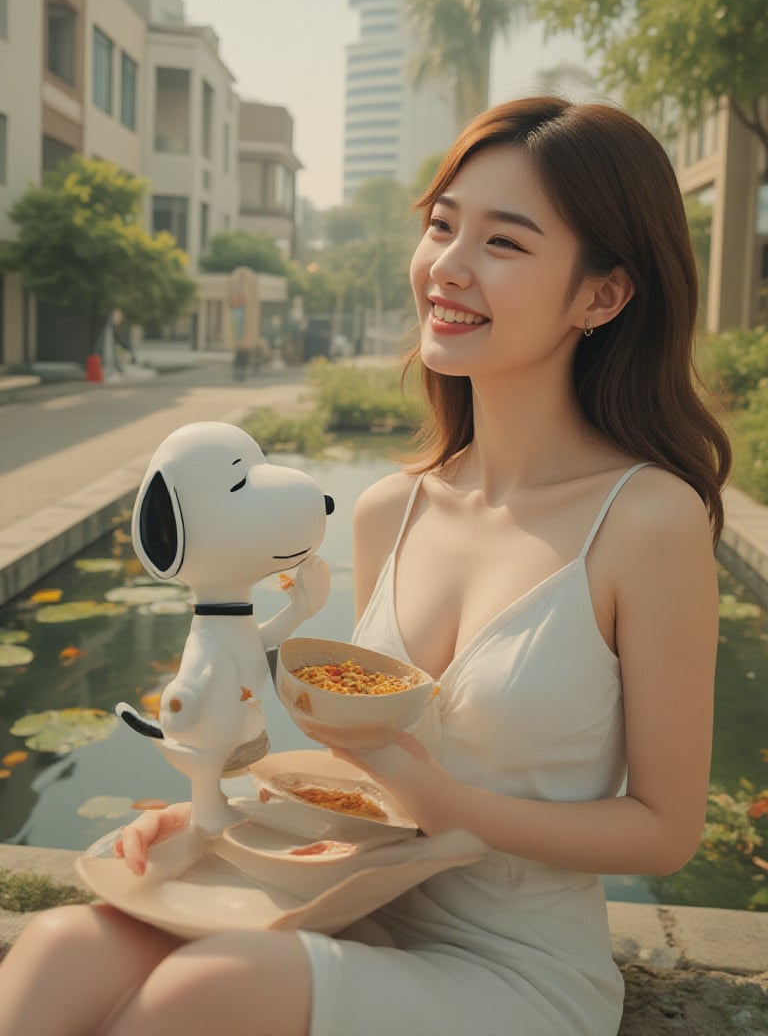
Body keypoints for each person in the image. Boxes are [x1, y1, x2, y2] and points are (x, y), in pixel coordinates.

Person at [0, 97, 731, 1036]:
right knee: (68, 946)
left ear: (602, 294)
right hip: (354, 906)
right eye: (442, 225)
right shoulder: (394, 508)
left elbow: (666, 830)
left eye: (504, 243)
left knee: (204, 990)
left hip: (518, 968)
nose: (448, 268)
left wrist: (447, 801)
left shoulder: (645, 519)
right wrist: (216, 819)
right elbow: (370, 776)